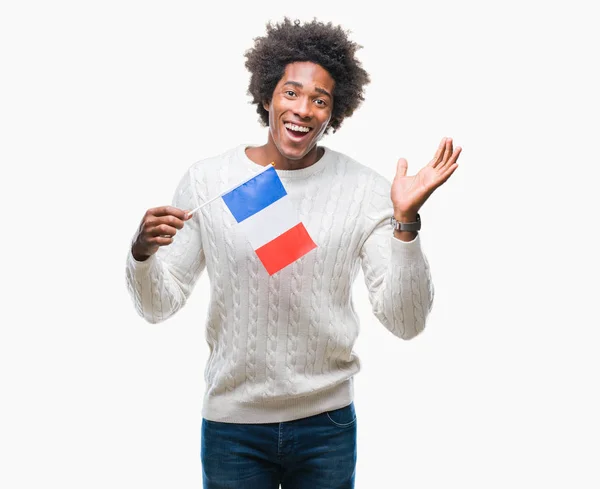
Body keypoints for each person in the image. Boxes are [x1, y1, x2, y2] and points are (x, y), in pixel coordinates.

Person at [125, 17, 461, 489]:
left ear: (333, 113)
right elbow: (159, 306)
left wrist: (405, 222)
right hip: (232, 428)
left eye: (319, 100)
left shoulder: (363, 190)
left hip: (327, 425)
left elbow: (406, 323)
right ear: (267, 96)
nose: (303, 109)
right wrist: (142, 254)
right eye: (291, 92)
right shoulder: (210, 180)